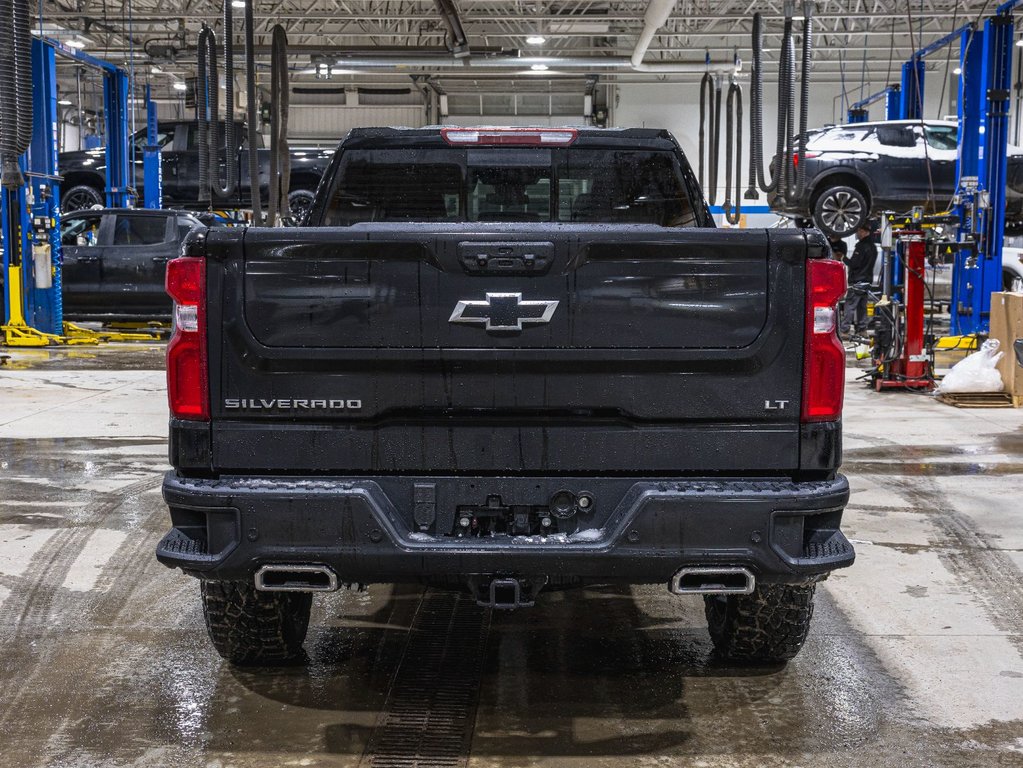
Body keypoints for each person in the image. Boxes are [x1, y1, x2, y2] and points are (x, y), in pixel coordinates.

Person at [840, 224, 878, 337]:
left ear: (864, 231)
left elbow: (855, 264)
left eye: (859, 231)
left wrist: (843, 258)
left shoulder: (861, 246)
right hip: (867, 281)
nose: (857, 233)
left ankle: (844, 330)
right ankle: (862, 330)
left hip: (857, 281)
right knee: (862, 307)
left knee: (850, 305)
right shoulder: (873, 247)